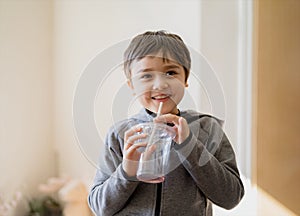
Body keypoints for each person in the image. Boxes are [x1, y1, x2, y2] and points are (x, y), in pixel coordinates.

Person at [88, 30, 244, 216]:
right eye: (146, 76)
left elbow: (231, 197)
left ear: (185, 79)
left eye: (170, 72)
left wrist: (190, 146)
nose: (160, 85)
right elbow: (99, 207)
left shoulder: (207, 129)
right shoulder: (120, 135)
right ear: (131, 85)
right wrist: (127, 171)